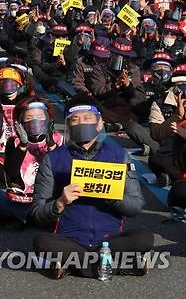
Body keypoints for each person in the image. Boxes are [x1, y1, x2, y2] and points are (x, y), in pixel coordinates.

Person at [30, 96, 153, 279]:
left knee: (144, 237)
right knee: (41, 242)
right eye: (75, 119)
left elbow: (136, 206)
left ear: (99, 123)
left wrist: (112, 196)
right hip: (70, 239)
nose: (81, 123)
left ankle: (75, 266)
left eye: (87, 118)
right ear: (68, 124)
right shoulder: (53, 158)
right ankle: (110, 265)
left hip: (109, 240)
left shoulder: (118, 155)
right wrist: (60, 203)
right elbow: (36, 212)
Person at [0, 97, 63, 227]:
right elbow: (10, 172)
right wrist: (23, 145)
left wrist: (51, 145)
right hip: (24, 198)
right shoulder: (14, 142)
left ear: (49, 119)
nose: (35, 122)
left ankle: (22, 218)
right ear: (20, 123)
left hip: (50, 199)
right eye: (29, 119)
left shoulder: (60, 141)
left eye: (39, 118)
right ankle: (32, 218)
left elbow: (63, 172)